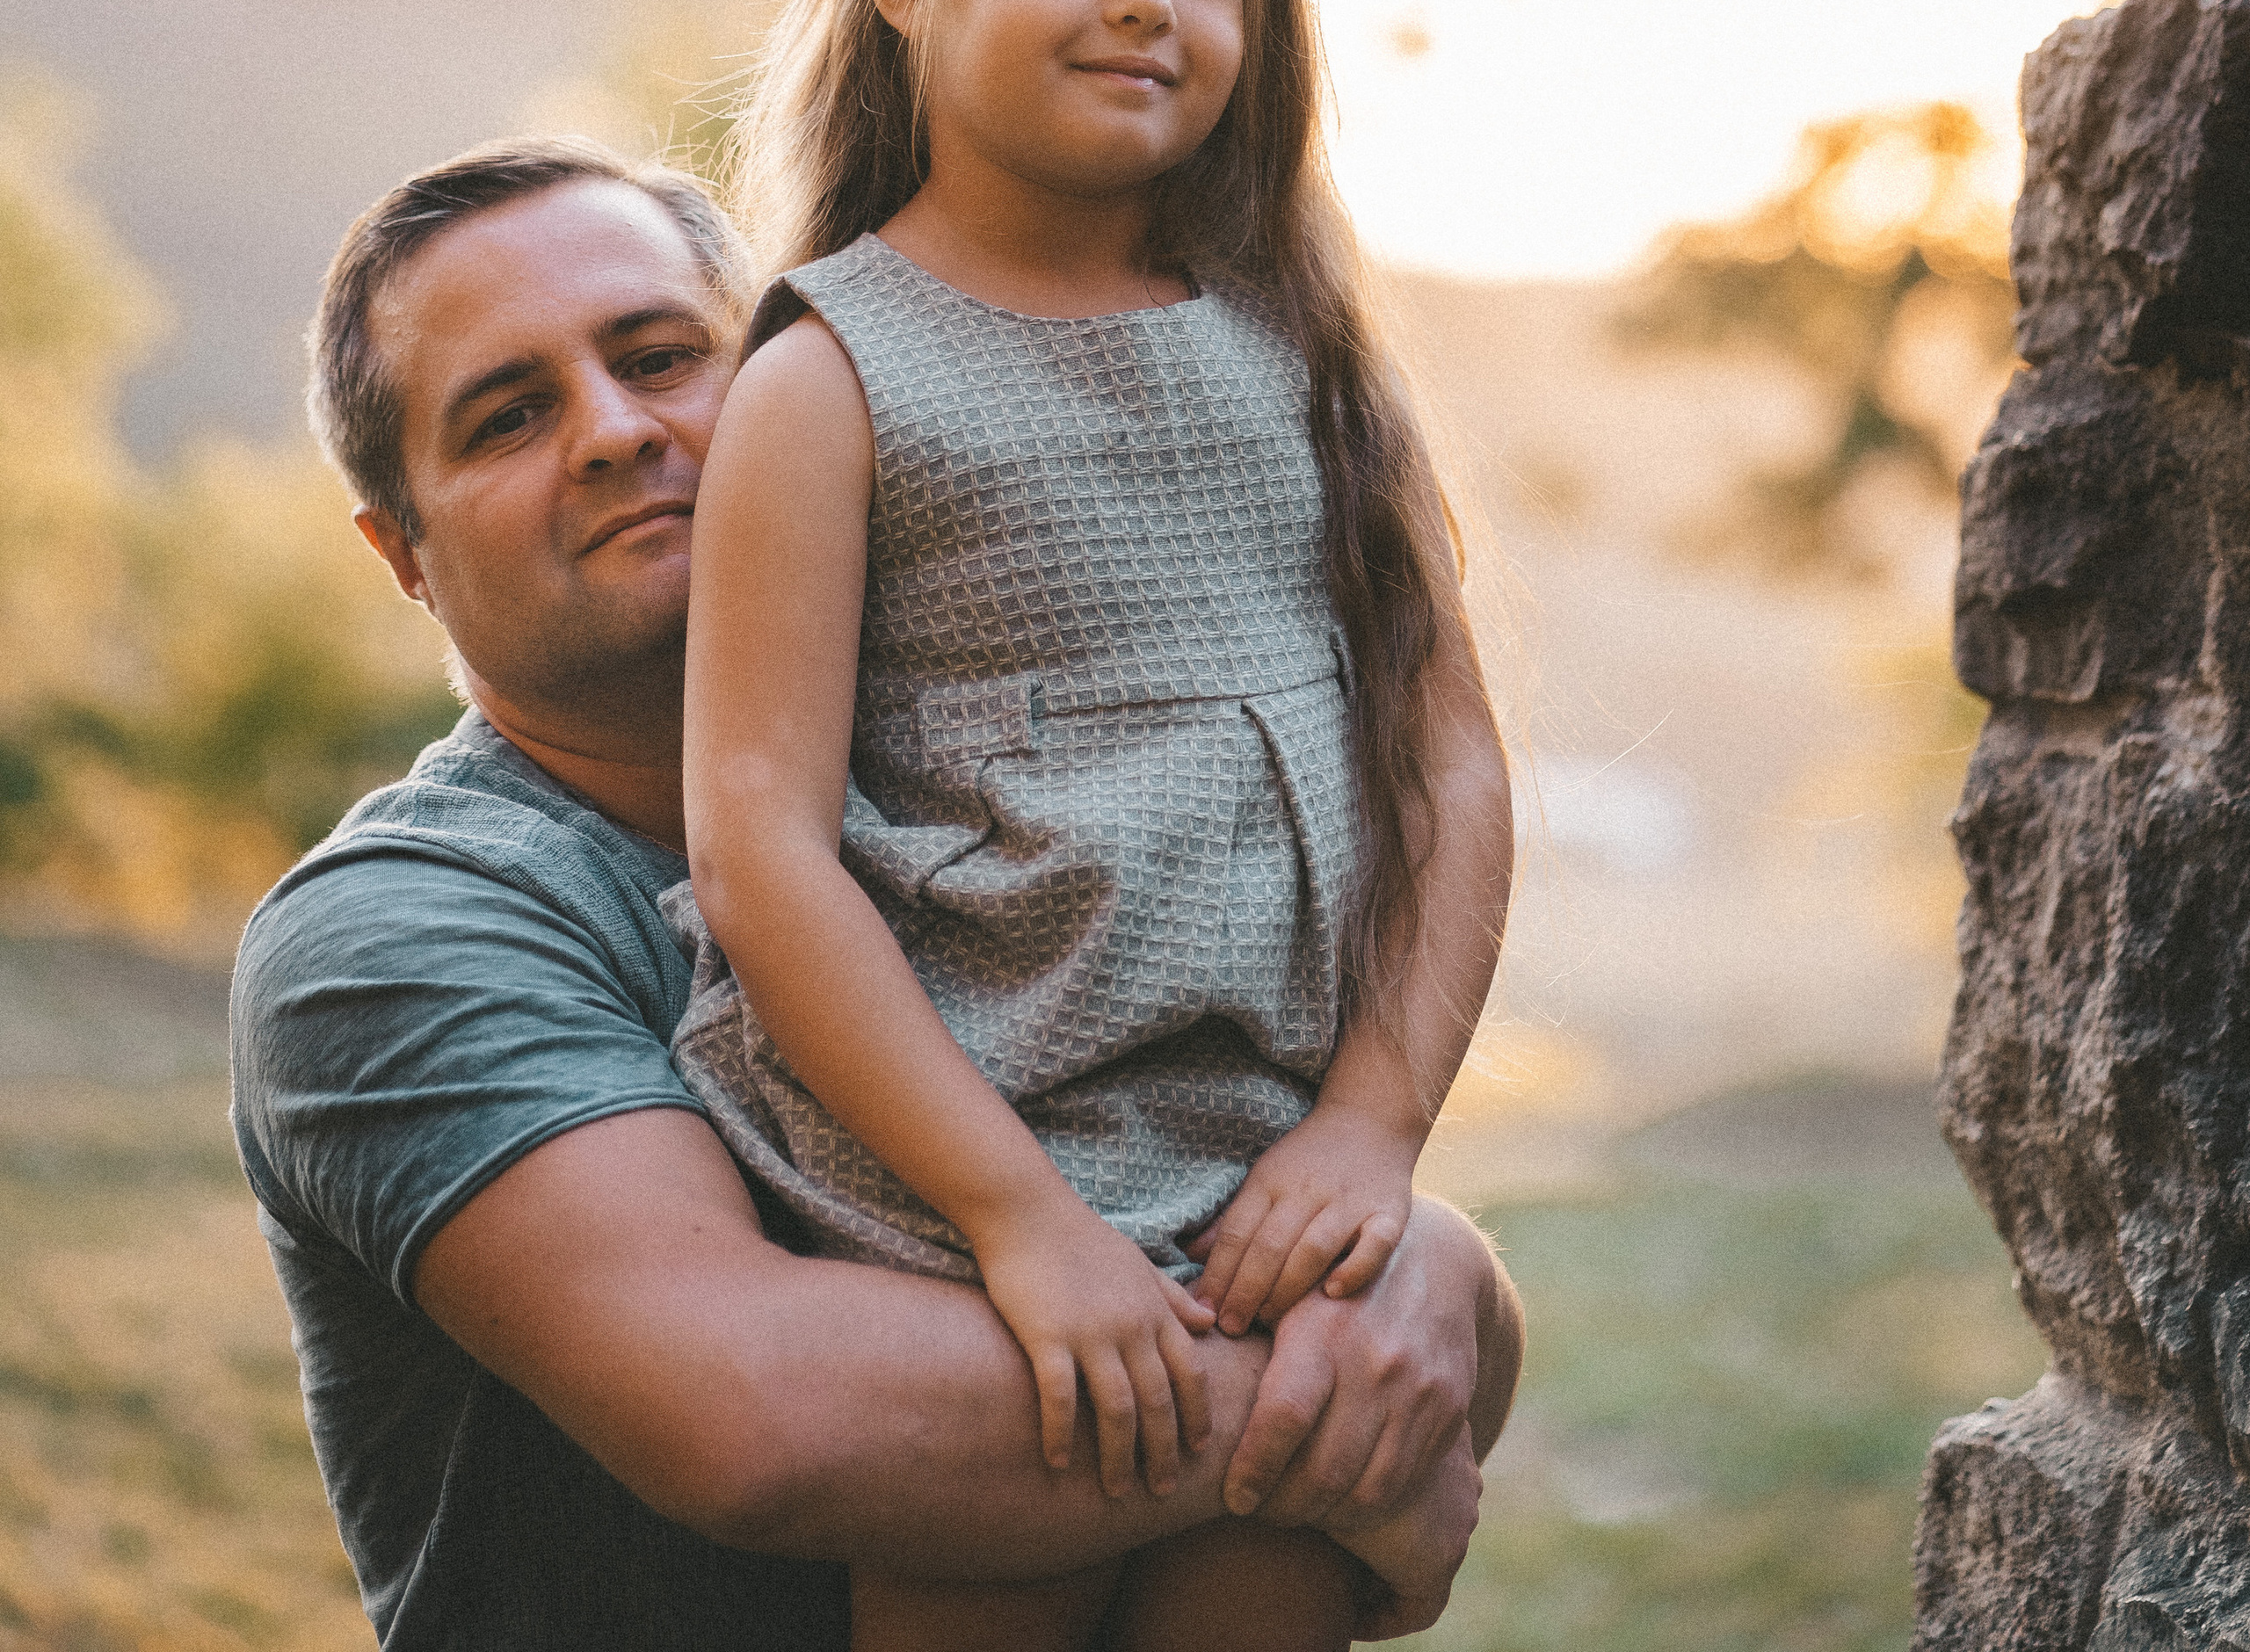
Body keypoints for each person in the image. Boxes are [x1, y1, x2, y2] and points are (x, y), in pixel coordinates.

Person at [232, 134, 1521, 1652]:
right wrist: (1337, 1430)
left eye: (661, 356)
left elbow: (1231, 1181)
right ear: (407, 555)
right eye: (507, 417)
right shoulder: (394, 932)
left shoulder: (1010, 815)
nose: (611, 431)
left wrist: (1444, 1288)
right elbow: (761, 1416)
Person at [671, 0, 1517, 1650]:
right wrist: (1014, 1224)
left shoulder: (1302, 358)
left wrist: (1372, 1123)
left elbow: (1446, 773)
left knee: (1261, 1582)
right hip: (955, 1215)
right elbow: (761, 847)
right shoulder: (829, 377)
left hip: (1269, 1199)